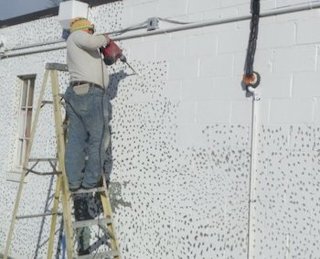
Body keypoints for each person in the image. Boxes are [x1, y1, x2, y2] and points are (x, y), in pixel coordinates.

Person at [64, 17, 110, 255]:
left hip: (76, 94)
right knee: (98, 140)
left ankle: (74, 182)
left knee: (76, 141)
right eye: (91, 29)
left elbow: (94, 49)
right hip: (91, 95)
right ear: (85, 29)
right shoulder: (78, 36)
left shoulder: (75, 43)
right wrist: (106, 38)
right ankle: (91, 181)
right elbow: (94, 41)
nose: (93, 32)